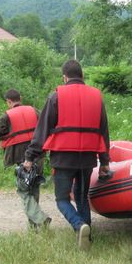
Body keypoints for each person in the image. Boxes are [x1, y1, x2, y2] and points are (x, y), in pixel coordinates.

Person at [23, 60, 111, 251]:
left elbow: (42, 130)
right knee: (81, 198)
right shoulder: (96, 97)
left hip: (63, 158)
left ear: (64, 77)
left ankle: (80, 227)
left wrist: (30, 157)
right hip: (87, 158)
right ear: (82, 76)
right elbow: (103, 131)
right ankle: (87, 239)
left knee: (62, 199)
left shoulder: (56, 97)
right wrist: (105, 162)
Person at [0, 89, 51, 231]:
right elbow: (45, 126)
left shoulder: (7, 116)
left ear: (9, 102)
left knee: (23, 190)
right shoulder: (34, 111)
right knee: (34, 188)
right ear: (20, 98)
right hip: (39, 155)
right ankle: (34, 225)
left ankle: (40, 219)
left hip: (22, 159)